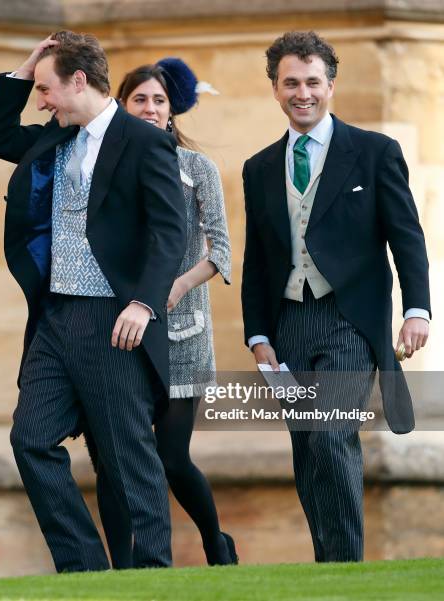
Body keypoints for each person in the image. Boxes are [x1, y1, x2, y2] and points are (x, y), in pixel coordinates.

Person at [0, 31, 186, 572]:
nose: (42, 100)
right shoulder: (54, 137)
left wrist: (143, 304)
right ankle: (84, 570)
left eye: (46, 89)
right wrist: (26, 71)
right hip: (54, 316)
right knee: (30, 440)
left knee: (128, 462)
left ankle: (153, 578)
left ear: (78, 81)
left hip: (114, 319)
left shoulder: (145, 142)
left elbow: (170, 233)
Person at [241, 31, 430, 562]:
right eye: (291, 83)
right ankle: (331, 568)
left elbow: (406, 236)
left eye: (313, 82)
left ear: (331, 85)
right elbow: (257, 260)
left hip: (350, 321)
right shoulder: (258, 169)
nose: (303, 93)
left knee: (329, 432)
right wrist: (257, 337)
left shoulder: (374, 153)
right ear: (275, 89)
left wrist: (416, 310)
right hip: (288, 325)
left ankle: (345, 567)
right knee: (308, 447)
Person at [86, 58, 236, 568]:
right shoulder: (100, 164)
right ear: (120, 106)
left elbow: (221, 250)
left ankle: (216, 541)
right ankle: (121, 569)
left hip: (184, 333)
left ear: (172, 111)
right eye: (139, 100)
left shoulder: (198, 169)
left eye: (158, 101)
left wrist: (175, 286)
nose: (149, 109)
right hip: (122, 332)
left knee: (171, 458)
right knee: (114, 460)